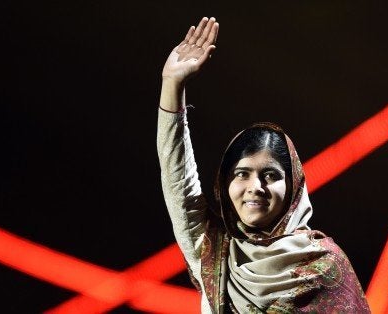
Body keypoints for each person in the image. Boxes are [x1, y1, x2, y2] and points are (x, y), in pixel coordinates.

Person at [157, 17, 370, 313]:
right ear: (225, 184)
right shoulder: (214, 253)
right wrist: (172, 85)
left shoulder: (325, 267)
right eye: (242, 174)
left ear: (294, 188)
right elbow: (178, 180)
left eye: (270, 175)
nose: (255, 188)